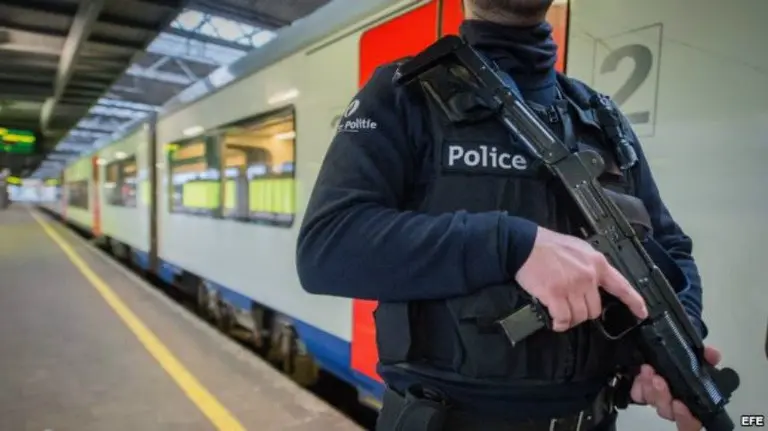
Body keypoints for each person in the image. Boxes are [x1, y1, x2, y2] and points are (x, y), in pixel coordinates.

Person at [296, 1, 721, 430]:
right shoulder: (403, 94)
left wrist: (666, 351)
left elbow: (669, 248)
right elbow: (326, 247)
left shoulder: (602, 120)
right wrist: (512, 245)